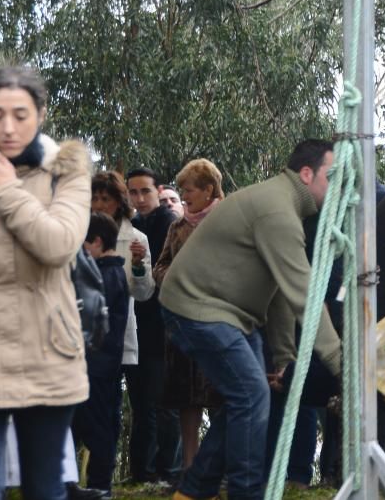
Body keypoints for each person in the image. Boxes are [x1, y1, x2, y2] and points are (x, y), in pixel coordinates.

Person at [159, 139, 341, 500]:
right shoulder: (277, 212)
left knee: (249, 395)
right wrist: (340, 361)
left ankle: (194, 491)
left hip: (228, 315)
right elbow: (304, 294)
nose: (338, 186)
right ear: (307, 174)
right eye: (331, 176)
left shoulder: (285, 208)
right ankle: (246, 493)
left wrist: (286, 359)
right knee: (251, 393)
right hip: (196, 307)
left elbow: (279, 295)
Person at [0, 65, 91, 500]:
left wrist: (5, 190)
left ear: (40, 114)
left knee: (43, 487)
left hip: (47, 353)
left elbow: (58, 244)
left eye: (20, 114)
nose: (8, 126)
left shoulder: (67, 173)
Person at [152, 159, 225, 470]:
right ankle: (189, 469)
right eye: (180, 191)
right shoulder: (177, 226)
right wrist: (175, 277)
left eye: (189, 190)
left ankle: (221, 467)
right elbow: (160, 267)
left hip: (222, 320)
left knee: (224, 396)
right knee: (186, 399)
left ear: (209, 189)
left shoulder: (229, 219)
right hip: (182, 323)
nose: (184, 197)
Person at [126, 166, 182, 484]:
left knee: (165, 402)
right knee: (142, 403)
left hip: (165, 324)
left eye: (145, 191)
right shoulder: (131, 226)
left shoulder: (170, 223)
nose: (140, 198)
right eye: (133, 192)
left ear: (157, 191)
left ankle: (168, 471)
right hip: (137, 325)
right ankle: (141, 471)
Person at [72, 212, 130, 497]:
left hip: (95, 365)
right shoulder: (111, 272)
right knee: (89, 424)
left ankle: (99, 485)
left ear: (95, 242)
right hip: (98, 364)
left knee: (97, 428)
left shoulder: (105, 275)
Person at [90, 172, 155, 392]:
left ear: (118, 203)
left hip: (118, 331)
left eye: (105, 199)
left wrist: (137, 265)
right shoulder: (76, 233)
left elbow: (143, 293)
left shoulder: (137, 239)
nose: (98, 205)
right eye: (94, 198)